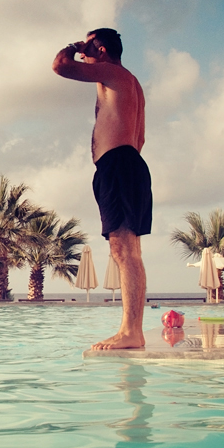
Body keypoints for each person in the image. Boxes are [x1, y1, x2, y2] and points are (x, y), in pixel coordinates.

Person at [52, 28, 151, 350]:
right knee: (125, 251)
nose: (83, 52)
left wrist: (73, 47)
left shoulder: (112, 73)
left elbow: (60, 66)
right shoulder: (129, 84)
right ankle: (130, 329)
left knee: (124, 251)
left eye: (88, 45)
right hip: (127, 163)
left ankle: (130, 331)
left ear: (103, 49)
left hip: (120, 165)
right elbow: (141, 136)